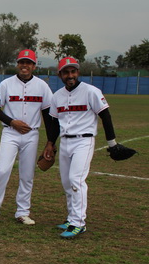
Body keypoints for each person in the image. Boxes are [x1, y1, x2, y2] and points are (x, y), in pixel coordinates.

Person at [47, 57, 118, 239]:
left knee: (76, 180)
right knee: (66, 182)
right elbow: (54, 123)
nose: (70, 75)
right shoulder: (57, 96)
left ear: (77, 72)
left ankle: (79, 223)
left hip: (84, 141)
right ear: (60, 74)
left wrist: (112, 143)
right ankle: (71, 218)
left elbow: (106, 116)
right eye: (66, 72)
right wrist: (50, 143)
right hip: (65, 142)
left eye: (73, 71)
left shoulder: (91, 91)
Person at [0, 50, 54, 226]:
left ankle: (22, 212)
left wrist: (51, 142)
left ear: (34, 66)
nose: (25, 65)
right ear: (17, 64)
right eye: (22, 62)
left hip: (31, 134)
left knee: (27, 175)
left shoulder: (42, 86)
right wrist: (11, 121)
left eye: (28, 62)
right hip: (10, 132)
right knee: (2, 170)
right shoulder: (6, 84)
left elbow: (48, 114)